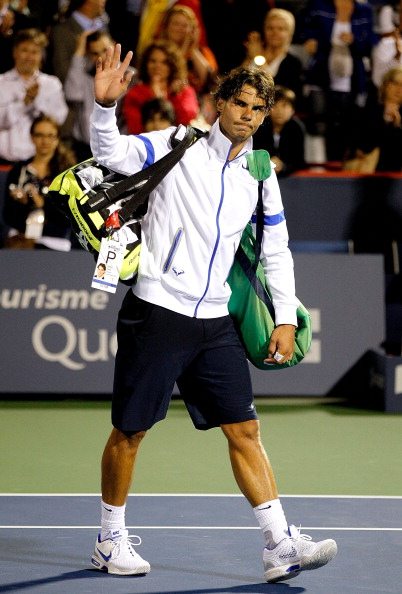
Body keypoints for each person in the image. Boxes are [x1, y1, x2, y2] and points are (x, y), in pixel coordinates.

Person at [88, 43, 338, 583]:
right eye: (239, 103)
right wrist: (104, 107)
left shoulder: (260, 172)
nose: (247, 114)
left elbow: (276, 250)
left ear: (264, 115)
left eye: (257, 108)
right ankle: (109, 539)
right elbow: (110, 154)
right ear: (218, 103)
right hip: (157, 310)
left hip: (216, 320)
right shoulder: (175, 145)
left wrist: (288, 316)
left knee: (244, 429)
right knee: (130, 431)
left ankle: (278, 545)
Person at [300, 0, 377, 161]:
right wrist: (310, 40)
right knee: (318, 124)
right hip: (321, 76)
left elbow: (370, 44)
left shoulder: (364, 10)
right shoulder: (318, 6)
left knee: (348, 127)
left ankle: (343, 171)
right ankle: (317, 168)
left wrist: (354, 40)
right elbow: (304, 32)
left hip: (352, 80)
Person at [3, 114, 75, 250]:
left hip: (56, 242)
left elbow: (69, 217)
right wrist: (23, 204)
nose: (45, 141)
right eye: (39, 135)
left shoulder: (66, 174)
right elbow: (8, 214)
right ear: (32, 137)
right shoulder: (19, 170)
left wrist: (42, 203)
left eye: (50, 136)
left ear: (57, 138)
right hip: (21, 241)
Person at [0, 28, 68, 164]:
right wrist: (23, 104)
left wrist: (36, 102)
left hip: (40, 163)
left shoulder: (52, 84)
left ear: (41, 55)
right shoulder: (1, 82)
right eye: (25, 50)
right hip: (3, 162)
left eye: (35, 52)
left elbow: (58, 120)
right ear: (15, 52)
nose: (29, 57)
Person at [122, 40, 199, 135]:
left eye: (164, 62)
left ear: (172, 65)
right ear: (146, 64)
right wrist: (156, 100)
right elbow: (135, 129)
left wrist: (174, 98)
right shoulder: (135, 94)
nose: (157, 66)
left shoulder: (183, 91)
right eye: (153, 61)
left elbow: (187, 121)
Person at [64, 29, 115, 162]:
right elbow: (72, 94)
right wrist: (79, 52)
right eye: (95, 53)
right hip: (84, 149)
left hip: (116, 147)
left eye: (105, 50)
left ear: (114, 46)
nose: (102, 57)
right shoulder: (85, 75)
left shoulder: (130, 76)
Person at [241, 8, 303, 106]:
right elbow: (236, 82)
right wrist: (249, 58)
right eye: (270, 28)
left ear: (290, 33)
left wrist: (257, 57)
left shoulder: (293, 63)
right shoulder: (253, 52)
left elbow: (278, 93)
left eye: (280, 29)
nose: (274, 32)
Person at [156, 4, 218, 96]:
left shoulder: (203, 52)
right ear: (166, 26)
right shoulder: (157, 51)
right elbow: (170, 75)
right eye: (176, 24)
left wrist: (192, 48)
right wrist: (184, 49)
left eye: (185, 25)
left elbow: (209, 80)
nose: (180, 29)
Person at [253, 86, 306, 177]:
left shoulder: (297, 128)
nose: (279, 111)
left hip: (290, 179)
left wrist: (283, 166)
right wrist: (268, 163)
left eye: (284, 106)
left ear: (292, 110)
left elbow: (299, 161)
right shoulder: (260, 126)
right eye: (275, 106)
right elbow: (253, 153)